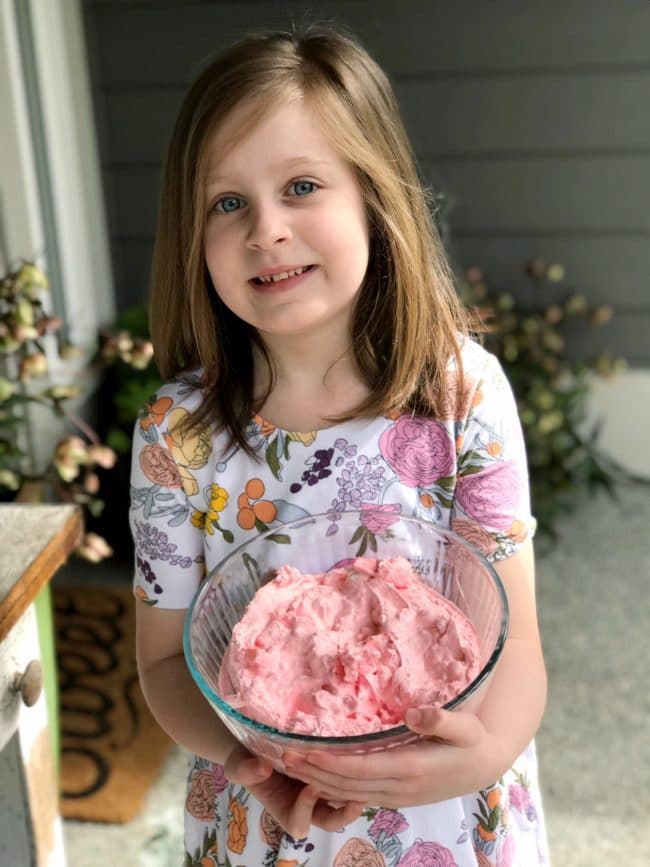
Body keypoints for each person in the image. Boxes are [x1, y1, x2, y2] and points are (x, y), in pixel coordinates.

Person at [129, 24, 550, 867]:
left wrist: (481, 753)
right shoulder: (176, 437)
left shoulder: (461, 396)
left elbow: (520, 645)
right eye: (228, 202)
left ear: (373, 196)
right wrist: (255, 758)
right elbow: (169, 662)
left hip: (443, 819)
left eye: (302, 186)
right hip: (263, 825)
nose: (266, 230)